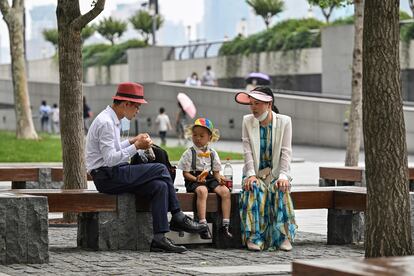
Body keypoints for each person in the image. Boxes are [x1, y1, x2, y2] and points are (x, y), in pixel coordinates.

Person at [86, 82, 208, 253]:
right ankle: (177, 215)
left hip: (111, 174)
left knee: (159, 186)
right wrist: (137, 147)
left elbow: (112, 150)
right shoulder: (106, 122)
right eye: (136, 106)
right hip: (108, 176)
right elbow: (111, 159)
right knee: (160, 169)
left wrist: (132, 140)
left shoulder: (110, 119)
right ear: (126, 104)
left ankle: (159, 238)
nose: (138, 111)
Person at [235, 86, 297, 252]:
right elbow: (247, 151)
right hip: (255, 173)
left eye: (257, 103)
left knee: (281, 188)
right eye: (251, 104)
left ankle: (283, 237)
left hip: (277, 173)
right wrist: (250, 175)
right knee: (254, 188)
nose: (253, 107)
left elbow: (286, 152)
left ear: (269, 104)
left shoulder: (285, 121)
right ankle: (254, 237)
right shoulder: (247, 121)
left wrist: (283, 176)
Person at [177, 118, 232, 240]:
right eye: (195, 135)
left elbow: (216, 173)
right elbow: (185, 174)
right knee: (202, 191)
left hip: (209, 177)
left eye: (201, 136)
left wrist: (220, 180)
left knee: (225, 191)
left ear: (210, 137)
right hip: (193, 179)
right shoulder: (189, 153)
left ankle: (225, 225)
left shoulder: (212, 153)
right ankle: (203, 225)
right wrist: (196, 179)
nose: (197, 138)